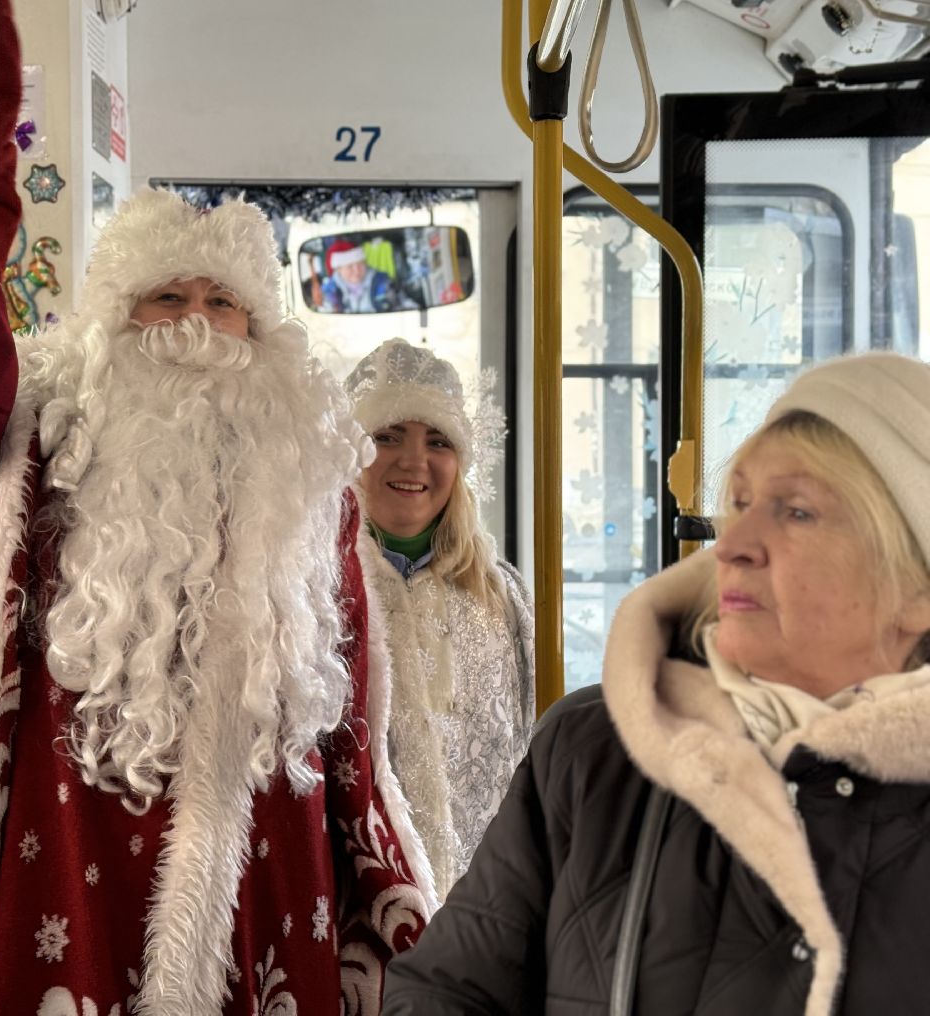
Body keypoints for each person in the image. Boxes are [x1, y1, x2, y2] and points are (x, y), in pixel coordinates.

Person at [0, 0, 432, 1016]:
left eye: (225, 302)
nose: (198, 325)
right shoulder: (30, 450)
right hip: (61, 879)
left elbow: (354, 738)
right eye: (166, 298)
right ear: (111, 327)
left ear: (266, 336)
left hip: (276, 887)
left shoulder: (313, 483)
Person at [383, 351, 930, 1016]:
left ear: (917, 592)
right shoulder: (595, 749)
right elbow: (445, 989)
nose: (730, 545)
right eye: (742, 503)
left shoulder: (502, 599)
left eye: (797, 512)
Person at [346, 340, 534, 904]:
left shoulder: (503, 597)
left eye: (437, 441)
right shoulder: (317, 589)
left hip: (485, 910)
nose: (413, 460)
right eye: (387, 436)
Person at [323, 239, 397, 313]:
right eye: (350, 266)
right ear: (339, 270)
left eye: (360, 264)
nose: (357, 271)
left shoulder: (384, 282)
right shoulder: (330, 291)